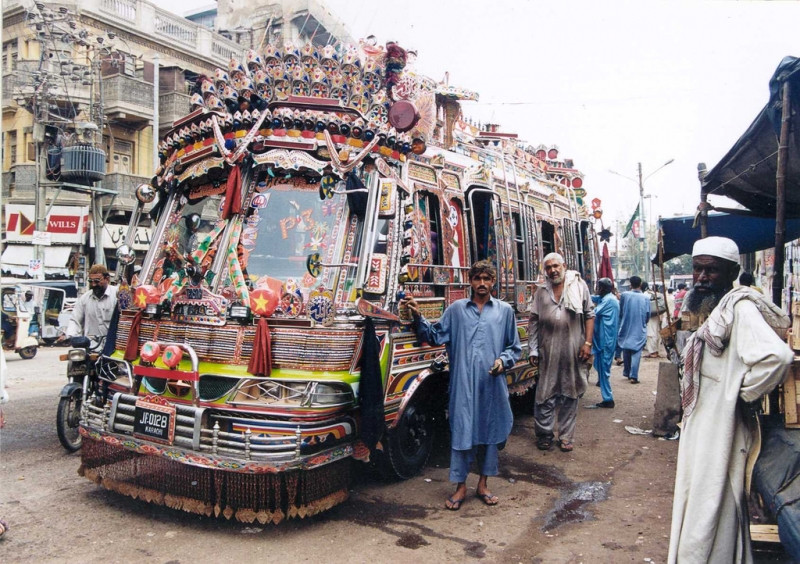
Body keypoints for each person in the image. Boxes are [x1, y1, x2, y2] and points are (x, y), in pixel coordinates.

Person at [669, 237, 792, 564]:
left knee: (708, 510)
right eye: (697, 269)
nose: (702, 277)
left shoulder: (741, 307)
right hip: (703, 425)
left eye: (711, 270)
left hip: (721, 427)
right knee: (706, 504)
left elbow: (778, 357)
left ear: (733, 272)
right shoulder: (715, 310)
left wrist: (738, 393)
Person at [401, 260, 521, 511]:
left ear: (493, 282)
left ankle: (484, 484)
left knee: (489, 432)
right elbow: (434, 336)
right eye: (477, 278)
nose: (482, 284)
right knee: (462, 431)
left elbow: (514, 348)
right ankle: (460, 486)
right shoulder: (456, 310)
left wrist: (503, 360)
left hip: (491, 385)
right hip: (462, 385)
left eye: (487, 279)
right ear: (470, 281)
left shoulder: (504, 311)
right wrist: (417, 315)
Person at [528, 252, 595, 452]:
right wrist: (533, 349)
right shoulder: (541, 292)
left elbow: (590, 315)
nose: (553, 270)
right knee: (544, 395)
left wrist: (588, 343)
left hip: (573, 349)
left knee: (570, 394)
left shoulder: (578, 285)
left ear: (564, 266)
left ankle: (566, 436)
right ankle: (545, 435)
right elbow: (534, 322)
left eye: (556, 266)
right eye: (548, 267)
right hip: (547, 350)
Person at [65, 264, 118, 339]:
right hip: (92, 346)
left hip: (113, 345)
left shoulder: (117, 295)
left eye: (97, 281)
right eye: (91, 281)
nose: (93, 284)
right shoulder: (85, 298)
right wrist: (70, 336)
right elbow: (75, 319)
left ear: (107, 279)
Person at [591, 278, 620, 408]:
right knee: (600, 367)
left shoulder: (608, 300)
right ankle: (607, 396)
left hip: (605, 341)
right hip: (605, 340)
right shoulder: (609, 298)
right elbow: (596, 298)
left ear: (602, 288)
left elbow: (592, 313)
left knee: (604, 371)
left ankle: (608, 399)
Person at [617, 275, 650, 384]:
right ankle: (633, 375)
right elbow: (647, 314)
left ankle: (627, 372)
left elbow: (621, 311)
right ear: (640, 284)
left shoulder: (624, 295)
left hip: (626, 325)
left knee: (626, 348)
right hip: (639, 326)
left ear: (630, 284)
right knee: (637, 351)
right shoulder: (646, 298)